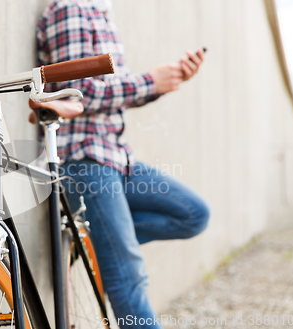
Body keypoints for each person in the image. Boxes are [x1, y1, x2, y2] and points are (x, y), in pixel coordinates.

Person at [33, 0, 210, 328]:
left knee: (193, 214)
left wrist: (166, 81)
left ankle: (101, 242)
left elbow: (112, 95)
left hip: (114, 158)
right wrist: (148, 81)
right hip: (84, 161)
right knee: (129, 281)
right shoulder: (71, 9)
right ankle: (108, 245)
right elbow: (78, 93)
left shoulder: (99, 11)